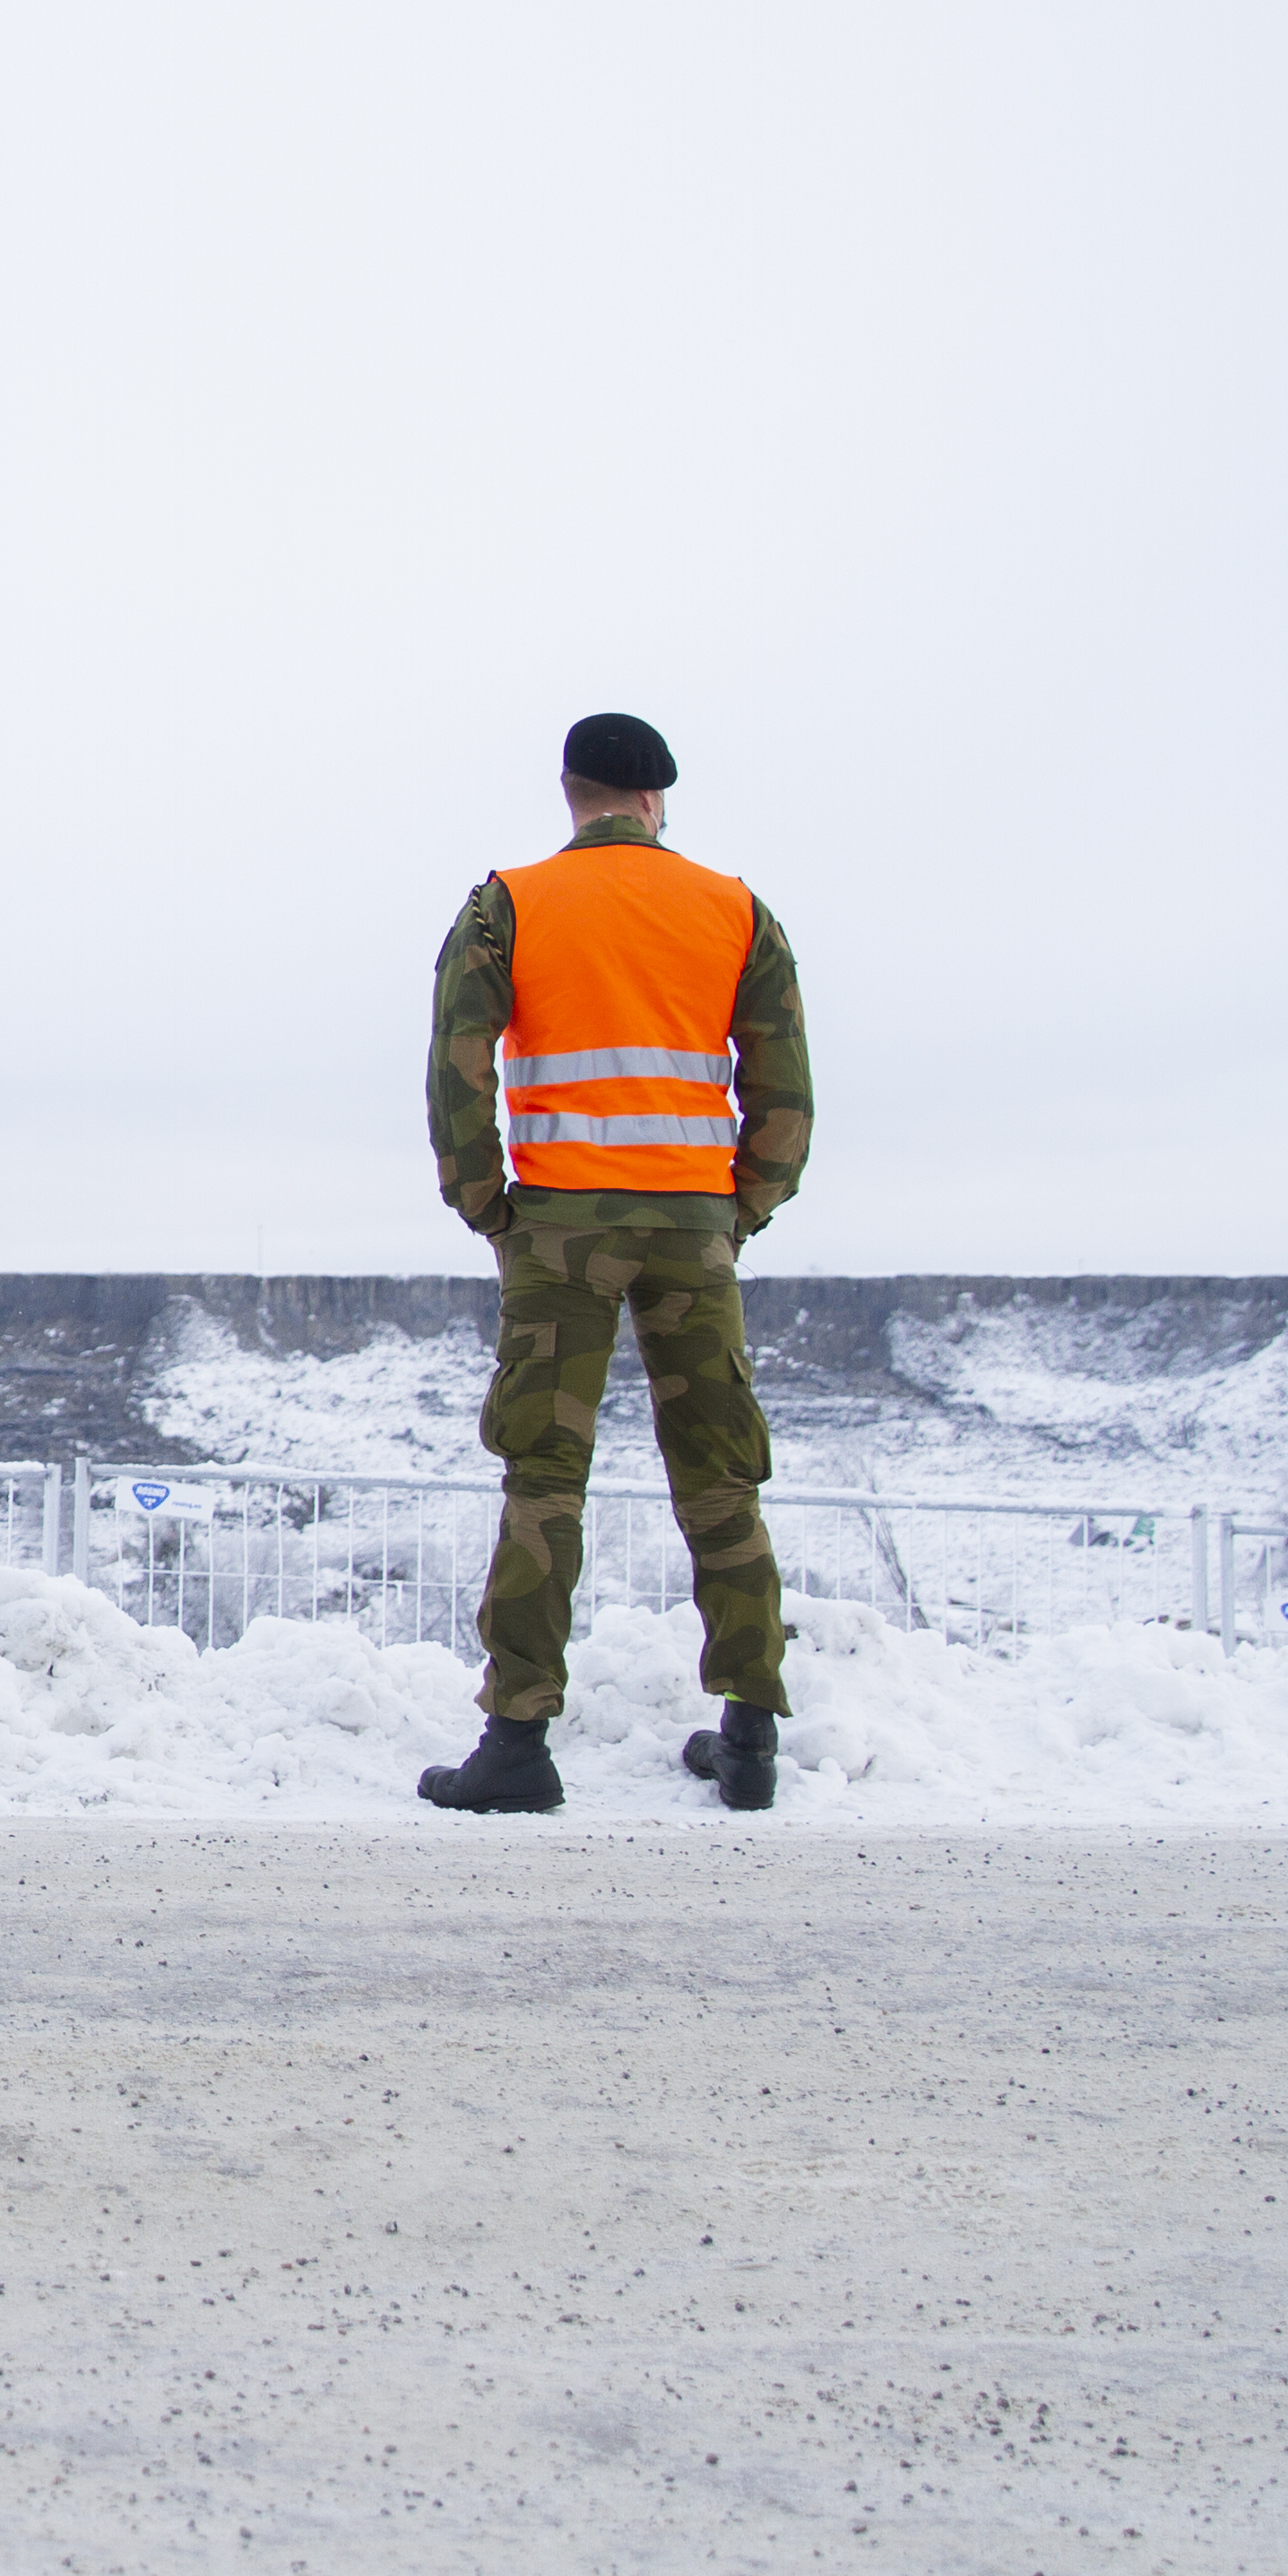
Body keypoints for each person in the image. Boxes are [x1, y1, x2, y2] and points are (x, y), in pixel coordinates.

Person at [416, 714, 812, 1814]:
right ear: (655, 801)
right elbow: (786, 1084)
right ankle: (748, 1737)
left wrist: (482, 1198)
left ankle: (519, 1742)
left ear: (571, 793)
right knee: (720, 1474)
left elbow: (458, 1056)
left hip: (559, 1228)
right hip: (692, 1225)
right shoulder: (737, 909)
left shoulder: (511, 901)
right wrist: (745, 1208)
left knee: (545, 1477)